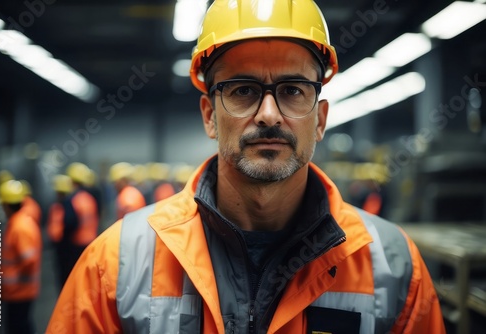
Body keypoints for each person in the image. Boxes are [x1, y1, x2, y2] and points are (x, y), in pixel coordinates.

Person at [47, 1, 446, 333]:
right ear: (209, 115)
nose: (269, 114)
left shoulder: (395, 271)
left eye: (292, 90)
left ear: (320, 119)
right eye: (242, 90)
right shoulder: (114, 266)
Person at [0, 180, 41, 334]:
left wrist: (14, 278)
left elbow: (29, 260)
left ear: (6, 205)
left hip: (19, 291)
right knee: (20, 326)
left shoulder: (19, 226)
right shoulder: (19, 222)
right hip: (18, 290)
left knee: (19, 327)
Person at [58, 162, 99, 286]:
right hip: (91, 242)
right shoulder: (89, 198)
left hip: (75, 245)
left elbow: (69, 223)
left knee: (73, 278)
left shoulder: (72, 199)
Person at [46, 174, 73, 290]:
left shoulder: (60, 206)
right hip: (68, 244)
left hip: (63, 246)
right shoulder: (71, 203)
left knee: (64, 274)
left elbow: (67, 224)